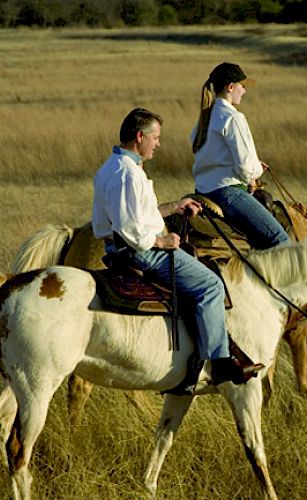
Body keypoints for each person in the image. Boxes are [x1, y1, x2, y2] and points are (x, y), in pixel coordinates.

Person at [92, 107, 261, 393]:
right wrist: (163, 241)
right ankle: (217, 362)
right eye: (155, 137)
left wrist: (175, 207)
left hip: (128, 246)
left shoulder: (114, 167)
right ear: (139, 136)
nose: (158, 143)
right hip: (138, 251)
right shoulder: (127, 175)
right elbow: (130, 230)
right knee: (210, 285)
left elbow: (139, 215)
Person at [191, 62, 290, 250]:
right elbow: (246, 168)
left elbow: (210, 153)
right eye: (242, 86)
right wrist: (257, 168)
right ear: (230, 87)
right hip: (228, 192)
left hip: (203, 191)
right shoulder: (233, 117)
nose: (244, 91)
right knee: (281, 241)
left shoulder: (206, 117)